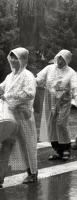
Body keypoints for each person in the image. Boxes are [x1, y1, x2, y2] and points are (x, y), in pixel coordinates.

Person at [0, 47, 38, 187]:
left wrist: (8, 96)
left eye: (16, 57)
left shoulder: (28, 76)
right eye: (11, 57)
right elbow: (2, 87)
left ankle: (33, 173)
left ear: (23, 59)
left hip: (23, 117)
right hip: (9, 117)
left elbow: (30, 94)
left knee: (27, 146)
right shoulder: (10, 76)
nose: (13, 60)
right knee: (6, 145)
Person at [37, 50, 77, 161]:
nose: (60, 61)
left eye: (63, 59)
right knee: (51, 125)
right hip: (49, 100)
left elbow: (75, 86)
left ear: (67, 60)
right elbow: (39, 79)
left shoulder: (71, 72)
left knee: (61, 124)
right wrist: (29, 82)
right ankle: (58, 151)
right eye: (59, 58)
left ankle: (66, 149)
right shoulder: (49, 68)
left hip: (63, 101)